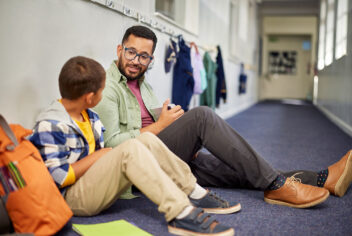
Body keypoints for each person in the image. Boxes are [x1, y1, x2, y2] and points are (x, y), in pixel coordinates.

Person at [94, 25, 352, 208]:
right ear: (119, 49)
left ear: (150, 59)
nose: (136, 61)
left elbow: (148, 121)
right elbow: (112, 147)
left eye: (144, 56)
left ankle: (320, 179)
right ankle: (276, 185)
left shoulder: (141, 82)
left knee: (240, 168)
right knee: (203, 116)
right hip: (138, 171)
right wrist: (163, 125)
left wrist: (177, 128)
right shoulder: (107, 88)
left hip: (165, 155)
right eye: (131, 52)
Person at [29, 56, 240, 236]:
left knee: (146, 140)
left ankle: (193, 192)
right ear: (90, 97)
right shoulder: (51, 124)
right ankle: (180, 213)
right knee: (130, 148)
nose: (103, 95)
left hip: (94, 184)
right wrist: (99, 156)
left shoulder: (90, 116)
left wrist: (104, 157)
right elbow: (59, 177)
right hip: (72, 199)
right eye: (102, 91)